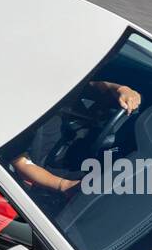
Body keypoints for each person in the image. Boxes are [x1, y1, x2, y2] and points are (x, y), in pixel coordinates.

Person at [11, 80, 141, 192]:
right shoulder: (15, 117)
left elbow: (95, 86)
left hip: (81, 141)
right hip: (54, 167)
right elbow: (21, 162)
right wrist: (63, 185)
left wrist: (122, 90)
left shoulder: (60, 86)